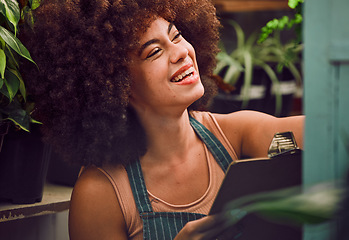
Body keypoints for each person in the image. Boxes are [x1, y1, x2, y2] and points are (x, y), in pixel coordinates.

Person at [20, 0, 304, 239]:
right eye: (154, 51)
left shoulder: (236, 134)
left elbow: (328, 128)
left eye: (177, 35)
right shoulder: (101, 194)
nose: (181, 52)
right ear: (114, 85)